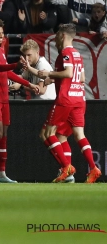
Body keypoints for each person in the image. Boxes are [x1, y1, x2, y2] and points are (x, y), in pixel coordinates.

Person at [22, 23, 101, 183]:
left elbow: (68, 73)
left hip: (65, 99)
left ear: (63, 36)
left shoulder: (65, 53)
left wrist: (51, 73)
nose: (56, 37)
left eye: (57, 34)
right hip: (79, 98)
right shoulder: (77, 54)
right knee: (77, 135)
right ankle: (93, 168)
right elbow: (81, 78)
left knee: (47, 134)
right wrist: (36, 72)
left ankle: (67, 167)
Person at [0, 19, 39, 183]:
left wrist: (29, 84)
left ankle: (1, 174)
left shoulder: (0, 50)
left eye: (2, 33)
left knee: (4, 135)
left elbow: (6, 73)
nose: (1, 36)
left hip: (3, 96)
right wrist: (15, 64)